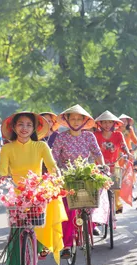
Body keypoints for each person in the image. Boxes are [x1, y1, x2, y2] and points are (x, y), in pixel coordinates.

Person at [0, 111, 67, 265]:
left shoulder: (41, 147)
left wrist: (56, 179)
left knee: (51, 203)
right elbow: (3, 171)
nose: (24, 128)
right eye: (20, 124)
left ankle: (42, 244)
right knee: (16, 231)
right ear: (13, 127)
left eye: (28, 125)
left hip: (37, 190)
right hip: (17, 193)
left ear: (35, 128)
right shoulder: (7, 148)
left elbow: (52, 166)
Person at [52, 104, 106, 256]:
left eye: (78, 119)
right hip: (66, 176)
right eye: (73, 118)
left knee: (94, 195)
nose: (75, 122)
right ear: (67, 120)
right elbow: (54, 158)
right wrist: (55, 174)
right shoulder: (61, 137)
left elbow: (97, 153)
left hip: (85, 173)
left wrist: (102, 167)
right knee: (68, 210)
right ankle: (67, 245)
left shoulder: (89, 136)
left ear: (84, 121)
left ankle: (90, 222)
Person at [93, 111, 131, 214]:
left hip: (114, 165)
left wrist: (128, 153)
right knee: (98, 190)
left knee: (115, 189)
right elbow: (91, 148)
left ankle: (114, 209)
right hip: (99, 167)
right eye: (104, 122)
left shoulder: (118, 135)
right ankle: (97, 212)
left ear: (113, 123)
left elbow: (123, 146)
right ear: (100, 123)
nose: (107, 125)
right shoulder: (96, 135)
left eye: (109, 122)